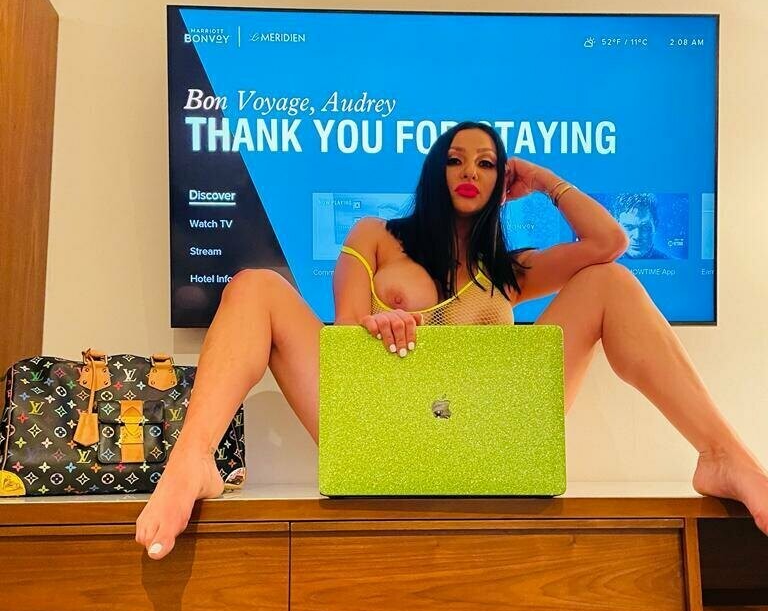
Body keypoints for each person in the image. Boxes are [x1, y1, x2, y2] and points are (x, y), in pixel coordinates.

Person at [135, 121, 768, 558]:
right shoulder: (376, 235)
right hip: (378, 425)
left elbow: (609, 243)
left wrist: (542, 179)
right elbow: (346, 325)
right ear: (435, 169)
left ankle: (721, 454)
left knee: (611, 282)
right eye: (456, 158)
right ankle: (193, 459)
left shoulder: (508, 271)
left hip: (492, 438)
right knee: (253, 286)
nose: (470, 171)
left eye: (487, 162)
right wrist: (375, 325)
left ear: (501, 179)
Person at [611, 193, 672, 260]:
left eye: (645, 227)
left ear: (655, 226)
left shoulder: (671, 262)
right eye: (629, 227)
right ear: (616, 225)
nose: (637, 236)